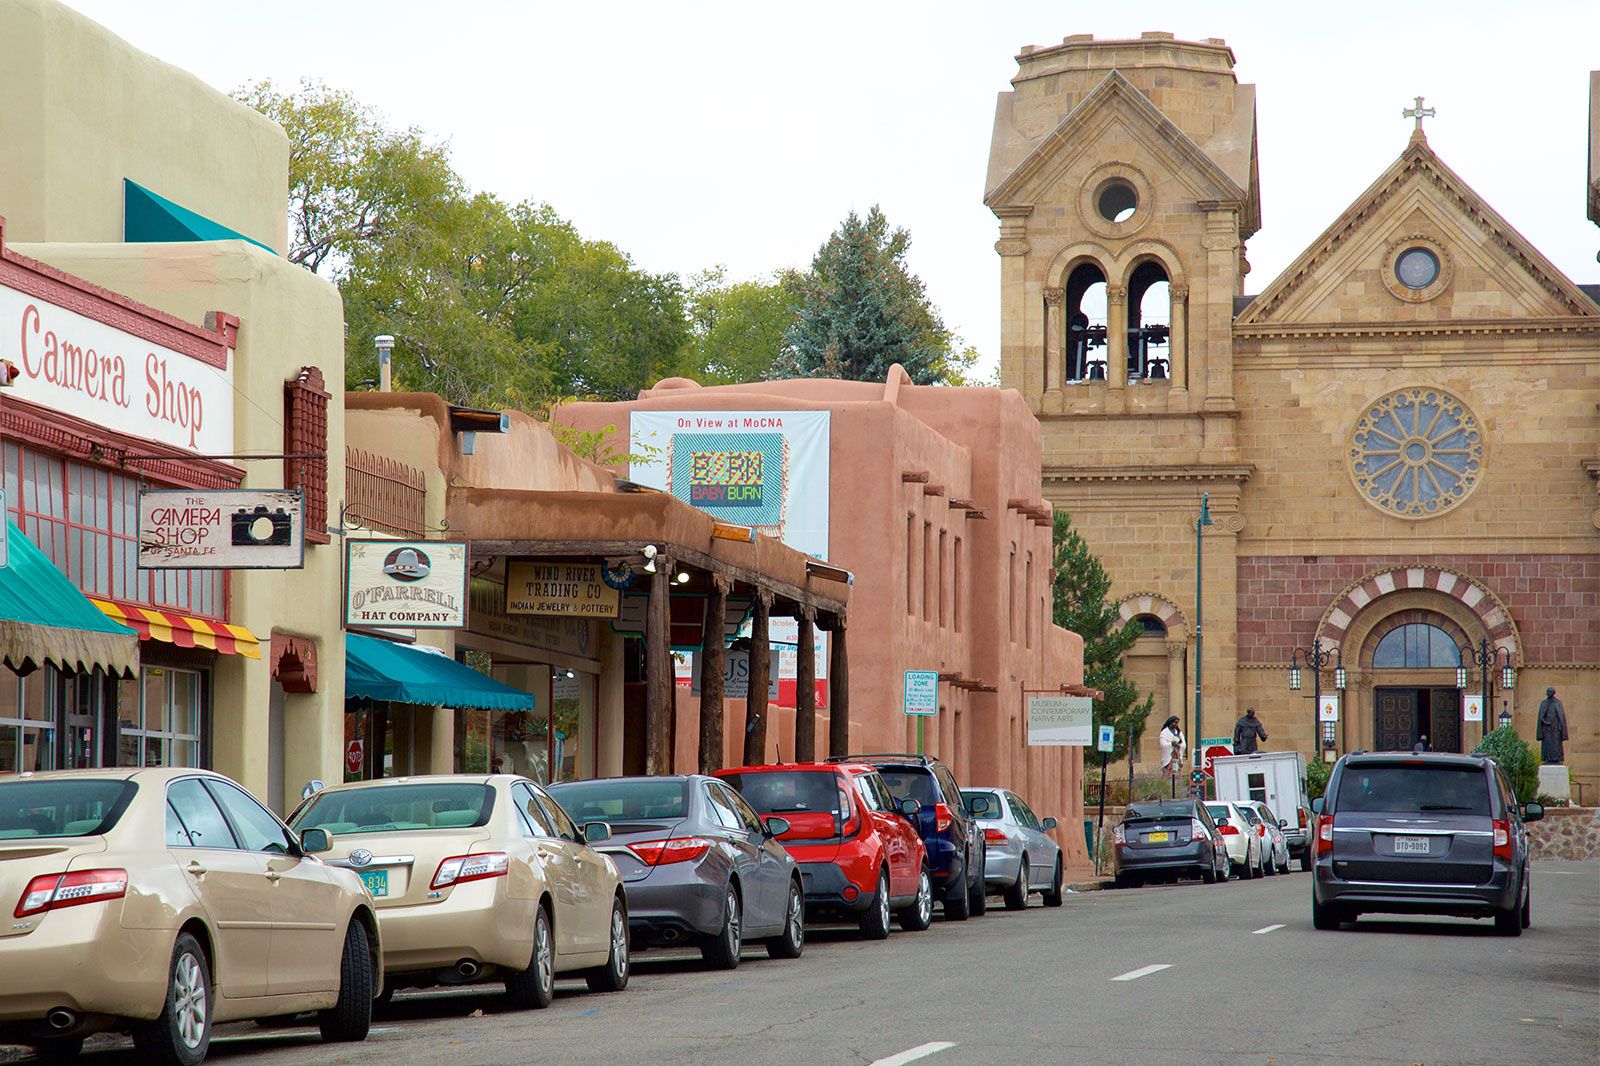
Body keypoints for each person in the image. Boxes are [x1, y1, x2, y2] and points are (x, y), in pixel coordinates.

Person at [1537, 687, 1568, 765]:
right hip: (1547, 728)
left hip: (1555, 727)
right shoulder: (1544, 703)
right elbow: (1541, 716)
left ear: (1554, 692)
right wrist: (1544, 721)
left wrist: (1560, 727)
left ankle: (1557, 759)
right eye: (1548, 691)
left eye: (1550, 691)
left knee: (1556, 744)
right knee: (1547, 744)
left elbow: (1561, 716)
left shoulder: (1558, 703)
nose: (1549, 693)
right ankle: (1547, 758)